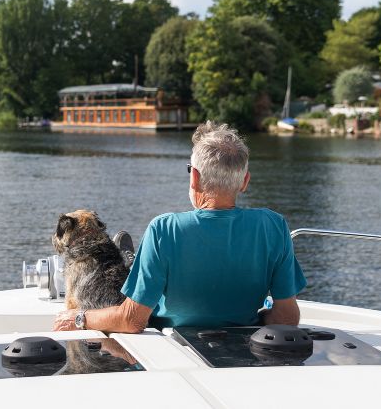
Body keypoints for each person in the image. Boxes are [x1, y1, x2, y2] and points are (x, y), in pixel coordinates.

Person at [54, 121, 306, 332]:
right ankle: (131, 261)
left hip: (175, 345)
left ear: (194, 177)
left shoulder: (165, 229)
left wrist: (80, 318)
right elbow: (286, 318)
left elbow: (132, 320)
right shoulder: (273, 226)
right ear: (245, 182)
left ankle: (131, 262)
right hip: (245, 344)